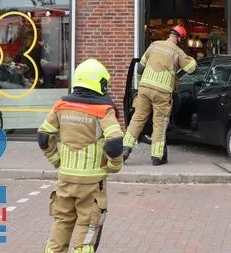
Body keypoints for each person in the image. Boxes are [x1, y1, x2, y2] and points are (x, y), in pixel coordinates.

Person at [37, 58, 124, 253]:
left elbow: (43, 136)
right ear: (98, 82)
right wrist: (113, 166)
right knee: (88, 228)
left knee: (61, 223)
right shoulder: (103, 109)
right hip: (92, 183)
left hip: (65, 179)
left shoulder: (61, 106)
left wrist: (56, 160)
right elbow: (115, 141)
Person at [122, 25, 197, 165]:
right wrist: (191, 58)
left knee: (137, 119)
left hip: (144, 88)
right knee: (159, 123)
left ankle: (125, 149)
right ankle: (156, 157)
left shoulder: (154, 45)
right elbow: (192, 68)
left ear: (169, 34)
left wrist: (140, 83)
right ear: (180, 38)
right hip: (162, 92)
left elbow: (140, 67)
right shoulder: (177, 52)